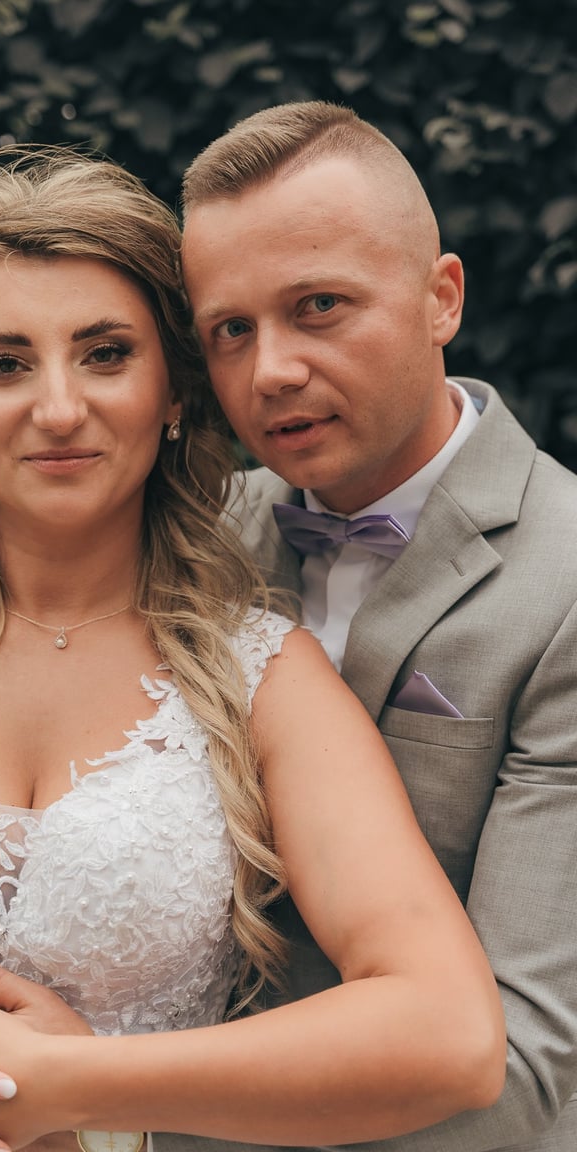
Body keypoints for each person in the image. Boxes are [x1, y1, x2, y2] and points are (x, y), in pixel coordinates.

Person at [0, 143, 507, 1152]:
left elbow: (449, 1035)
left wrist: (70, 1085)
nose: (59, 408)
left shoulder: (265, 679)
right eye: (4, 364)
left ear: (174, 395)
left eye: (106, 354)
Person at [161, 100, 577, 1152]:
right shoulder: (192, 544)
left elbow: (522, 1068)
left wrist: (102, 1118)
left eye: (320, 306)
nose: (271, 370)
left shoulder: (567, 580)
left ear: (442, 298)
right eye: (231, 331)